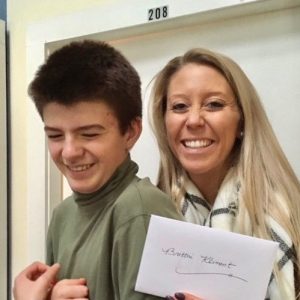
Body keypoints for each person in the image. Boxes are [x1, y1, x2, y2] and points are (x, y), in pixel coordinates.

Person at [22, 40, 183, 300]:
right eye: (55, 135)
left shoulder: (138, 209)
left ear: (130, 132)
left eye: (89, 134)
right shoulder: (63, 215)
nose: (70, 151)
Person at [149, 48, 300, 300]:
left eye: (214, 104)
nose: (194, 120)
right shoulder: (150, 211)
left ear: (242, 121)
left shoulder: (290, 216)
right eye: (180, 106)